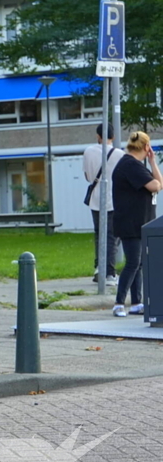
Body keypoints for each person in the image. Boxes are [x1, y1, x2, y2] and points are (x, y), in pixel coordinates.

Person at [111, 131, 162, 317]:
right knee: (133, 262)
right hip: (131, 222)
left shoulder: (133, 165)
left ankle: (136, 303)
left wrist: (152, 163)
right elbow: (155, 186)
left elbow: (160, 183)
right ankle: (118, 303)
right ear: (146, 147)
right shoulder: (130, 165)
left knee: (138, 263)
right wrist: (152, 162)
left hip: (137, 221)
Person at [83, 123, 122, 286]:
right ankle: (110, 274)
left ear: (98, 136)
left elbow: (87, 177)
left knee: (99, 234)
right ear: (113, 137)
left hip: (95, 199)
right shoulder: (120, 154)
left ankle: (99, 268)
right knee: (112, 237)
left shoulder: (88, 151)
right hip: (113, 200)